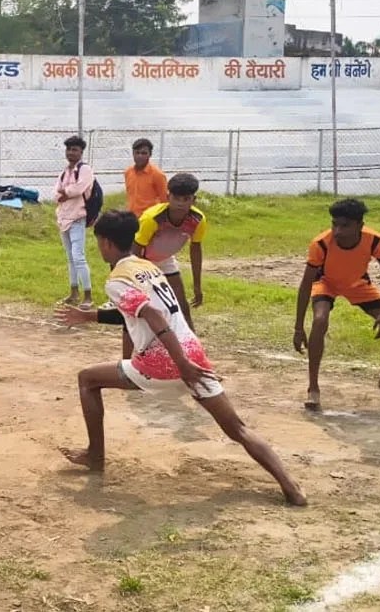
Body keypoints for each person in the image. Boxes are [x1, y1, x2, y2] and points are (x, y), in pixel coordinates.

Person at [55, 210, 307, 506]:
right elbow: (136, 313)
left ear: (106, 243)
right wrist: (90, 316)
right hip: (193, 354)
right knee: (238, 428)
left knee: (87, 379)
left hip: (164, 363)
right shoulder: (148, 267)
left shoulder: (117, 280)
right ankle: (291, 487)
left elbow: (152, 315)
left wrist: (181, 365)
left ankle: (95, 456)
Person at [294, 199, 380, 411]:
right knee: (319, 320)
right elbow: (306, 284)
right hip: (326, 282)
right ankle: (313, 388)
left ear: (359, 225)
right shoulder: (321, 243)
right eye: (334, 224)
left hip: (357, 284)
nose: (338, 231)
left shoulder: (375, 240)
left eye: (345, 225)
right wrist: (298, 328)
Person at [133, 173, 206, 331]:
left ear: (194, 200)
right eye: (176, 198)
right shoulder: (152, 218)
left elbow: (195, 250)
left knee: (181, 306)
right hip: (143, 261)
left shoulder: (197, 220)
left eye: (186, 199)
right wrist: (135, 278)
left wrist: (197, 286)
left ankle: (191, 342)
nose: (180, 203)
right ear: (168, 197)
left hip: (165, 260)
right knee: (146, 307)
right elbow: (136, 249)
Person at [55, 135, 94, 311]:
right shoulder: (65, 172)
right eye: (69, 149)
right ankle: (74, 292)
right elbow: (55, 193)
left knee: (79, 257)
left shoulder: (85, 170)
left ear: (81, 152)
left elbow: (80, 188)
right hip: (64, 218)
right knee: (70, 258)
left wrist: (66, 192)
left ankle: (88, 296)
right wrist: (64, 193)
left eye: (75, 150)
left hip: (77, 218)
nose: (71, 152)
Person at [124, 138, 168, 218]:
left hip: (149, 218)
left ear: (150, 154)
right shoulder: (128, 172)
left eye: (144, 153)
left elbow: (164, 201)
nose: (140, 156)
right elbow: (130, 196)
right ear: (133, 154)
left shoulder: (158, 175)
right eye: (137, 152)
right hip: (131, 217)